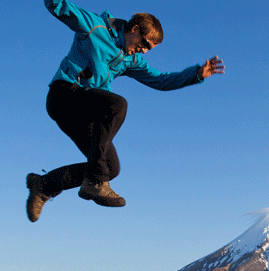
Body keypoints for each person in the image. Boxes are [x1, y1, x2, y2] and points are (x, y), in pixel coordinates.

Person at [26, 0, 224, 222]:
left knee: (110, 167)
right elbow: (58, 6)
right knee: (117, 105)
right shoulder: (95, 26)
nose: (144, 51)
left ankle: (43, 185)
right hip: (64, 95)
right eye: (146, 45)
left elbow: (160, 80)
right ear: (135, 30)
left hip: (85, 111)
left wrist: (195, 74)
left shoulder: (130, 60)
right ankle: (94, 181)